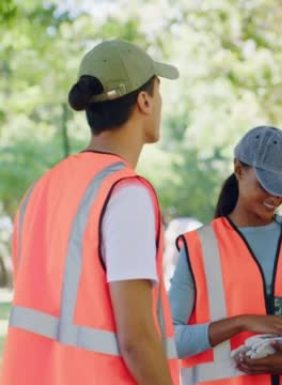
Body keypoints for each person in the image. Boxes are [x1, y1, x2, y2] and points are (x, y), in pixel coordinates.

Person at [1, 40, 180, 384]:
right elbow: (137, 340)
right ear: (144, 101)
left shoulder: (41, 189)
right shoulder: (125, 193)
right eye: (158, 93)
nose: (159, 104)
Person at [169, 126, 282, 385]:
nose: (276, 196)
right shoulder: (198, 247)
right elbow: (169, 340)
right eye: (266, 185)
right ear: (239, 169)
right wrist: (242, 323)